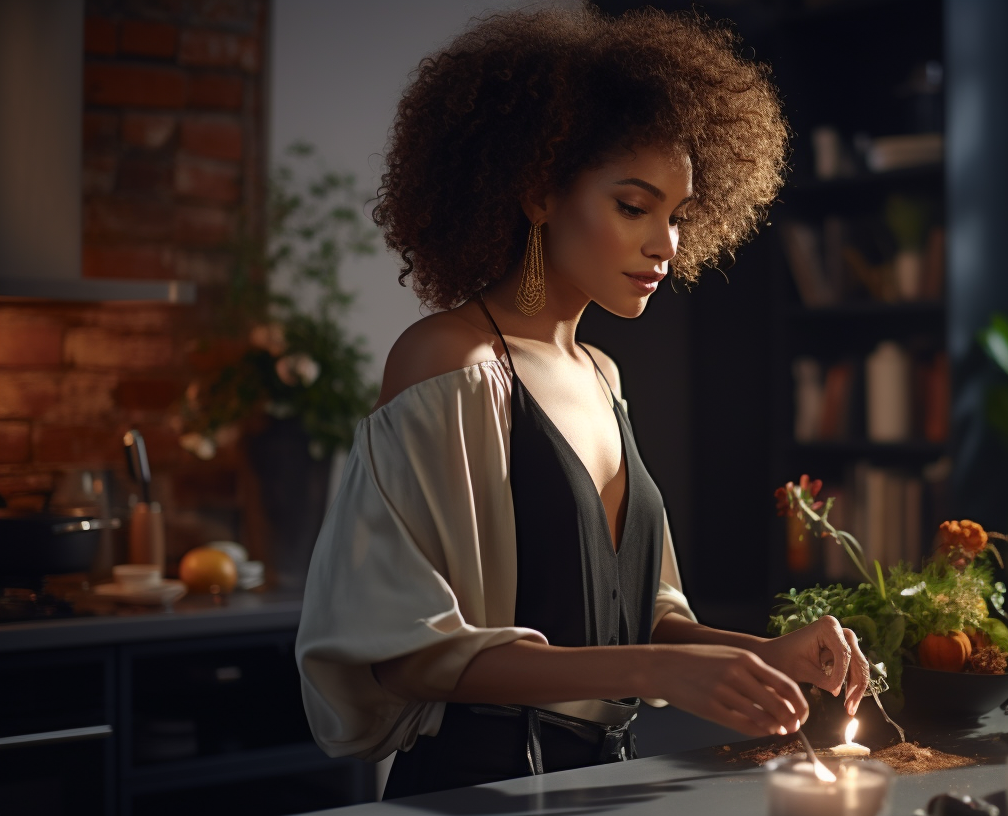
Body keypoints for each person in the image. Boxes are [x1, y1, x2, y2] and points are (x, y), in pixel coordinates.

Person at [294, 6, 871, 799]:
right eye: (634, 207)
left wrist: (767, 654)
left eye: (677, 215)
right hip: (478, 790)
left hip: (607, 785)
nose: (665, 244)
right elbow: (408, 651)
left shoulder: (602, 376)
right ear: (538, 192)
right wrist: (660, 669)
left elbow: (639, 619)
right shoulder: (453, 364)